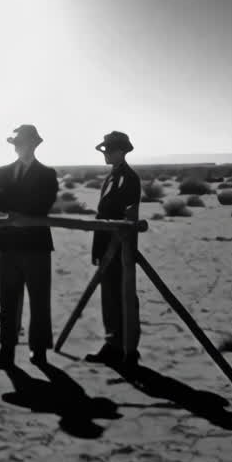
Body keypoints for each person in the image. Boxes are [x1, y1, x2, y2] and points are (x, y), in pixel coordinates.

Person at [0, 124, 59, 368]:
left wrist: (15, 204)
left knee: (39, 299)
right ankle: (6, 351)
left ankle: (38, 351)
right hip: (8, 245)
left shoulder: (48, 174)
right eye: (18, 144)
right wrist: (22, 202)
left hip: (37, 245)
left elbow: (43, 203)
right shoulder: (3, 171)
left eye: (26, 143)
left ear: (34, 145)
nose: (22, 148)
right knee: (8, 300)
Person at [85, 130, 142, 370]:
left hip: (121, 247)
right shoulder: (111, 178)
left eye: (110, 150)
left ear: (121, 151)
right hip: (106, 245)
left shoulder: (129, 178)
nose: (106, 154)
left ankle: (128, 349)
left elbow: (124, 214)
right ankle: (113, 344)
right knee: (109, 297)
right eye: (105, 150)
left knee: (124, 296)